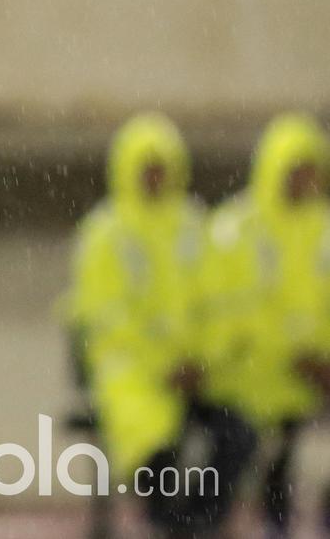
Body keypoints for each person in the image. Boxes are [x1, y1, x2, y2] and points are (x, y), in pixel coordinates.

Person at [63, 113, 254, 537]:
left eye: (161, 167)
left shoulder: (194, 225)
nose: (154, 177)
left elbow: (219, 306)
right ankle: (171, 521)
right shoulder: (104, 235)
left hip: (197, 376)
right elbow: (105, 321)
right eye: (146, 167)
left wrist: (201, 363)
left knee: (240, 431)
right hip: (134, 377)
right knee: (154, 443)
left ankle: (199, 519)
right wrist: (161, 366)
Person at [201, 113, 330, 539]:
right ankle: (215, 521)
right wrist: (296, 357)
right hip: (248, 372)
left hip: (312, 374)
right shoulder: (236, 231)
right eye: (296, 169)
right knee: (248, 436)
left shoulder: (322, 229)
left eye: (311, 169)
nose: (305, 180)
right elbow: (237, 315)